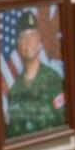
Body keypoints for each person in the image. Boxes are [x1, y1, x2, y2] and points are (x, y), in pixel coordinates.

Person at [6, 10, 66, 138]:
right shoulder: (14, 91)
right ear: (18, 44)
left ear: (39, 40)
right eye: (23, 36)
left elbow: (64, 127)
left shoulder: (54, 80)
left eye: (32, 35)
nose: (28, 41)